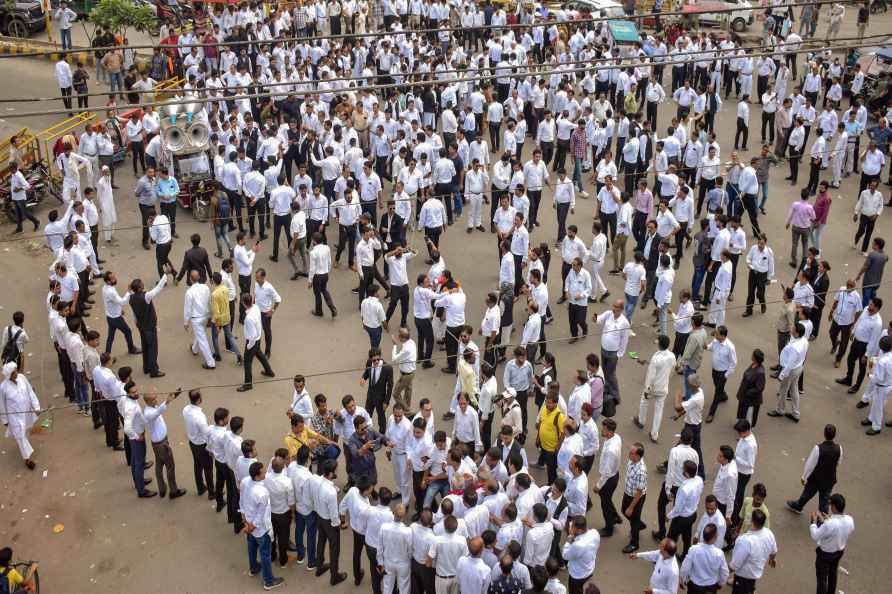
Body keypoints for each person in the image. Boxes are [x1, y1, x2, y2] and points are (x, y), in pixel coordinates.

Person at [241, 461, 286, 590]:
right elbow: (261, 515)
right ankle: (269, 581)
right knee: (265, 554)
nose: (266, 472)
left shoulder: (245, 482)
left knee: (251, 547)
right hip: (260, 529)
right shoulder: (262, 493)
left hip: (249, 523)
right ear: (257, 475)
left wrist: (245, 521)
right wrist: (251, 526)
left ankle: (254, 568)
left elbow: (242, 501)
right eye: (263, 472)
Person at [786, 424, 841, 514]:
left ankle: (799, 506)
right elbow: (838, 462)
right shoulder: (839, 449)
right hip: (829, 480)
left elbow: (810, 464)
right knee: (824, 501)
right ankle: (823, 519)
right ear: (834, 435)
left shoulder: (818, 449)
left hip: (816, 479)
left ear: (824, 434)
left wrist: (804, 477)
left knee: (807, 494)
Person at [143, 387, 185, 500]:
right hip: (161, 444)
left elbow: (160, 407)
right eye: (153, 399)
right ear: (147, 401)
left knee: (159, 464)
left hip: (158, 442)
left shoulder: (152, 407)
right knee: (170, 466)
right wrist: (167, 401)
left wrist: (173, 397)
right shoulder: (148, 413)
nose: (156, 401)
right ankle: (173, 490)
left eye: (155, 398)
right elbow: (158, 411)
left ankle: (162, 489)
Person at [809, 493, 855, 594]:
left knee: (822, 580)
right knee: (833, 574)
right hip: (839, 552)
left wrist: (813, 522)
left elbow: (815, 535)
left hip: (825, 555)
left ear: (833, 506)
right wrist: (828, 520)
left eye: (830, 505)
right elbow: (840, 529)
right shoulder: (849, 520)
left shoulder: (830, 524)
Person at [634, 334, 675, 443]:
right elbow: (671, 367)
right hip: (663, 388)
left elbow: (650, 376)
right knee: (659, 411)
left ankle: (641, 421)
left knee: (644, 402)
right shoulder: (672, 356)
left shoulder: (656, 358)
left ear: (660, 344)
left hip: (653, 388)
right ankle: (654, 434)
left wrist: (647, 389)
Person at [0, 362, 40, 470]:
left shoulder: (22, 378)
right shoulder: (3, 388)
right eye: (13, 373)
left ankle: (25, 449)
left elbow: (30, 392)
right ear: (8, 376)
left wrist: (36, 407)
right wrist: (5, 420)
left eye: (16, 371)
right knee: (20, 436)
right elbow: (1, 405)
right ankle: (27, 459)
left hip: (26, 412)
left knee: (25, 432)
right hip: (14, 417)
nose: (16, 373)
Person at [128, 274, 169, 378]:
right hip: (149, 327)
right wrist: (165, 275)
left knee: (145, 347)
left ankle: (146, 367)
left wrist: (136, 322)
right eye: (142, 284)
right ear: (139, 288)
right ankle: (154, 371)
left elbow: (133, 313)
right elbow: (158, 288)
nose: (143, 285)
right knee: (153, 349)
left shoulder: (131, 298)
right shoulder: (146, 296)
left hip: (141, 326)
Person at [728, 509, 777, 594]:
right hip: (754, 573)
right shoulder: (769, 534)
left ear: (752, 521)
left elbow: (734, 565)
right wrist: (772, 559)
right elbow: (774, 551)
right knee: (750, 587)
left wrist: (722, 573)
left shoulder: (745, 541)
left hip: (744, 577)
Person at [237, 293, 275, 392]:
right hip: (258, 338)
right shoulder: (256, 307)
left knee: (247, 362)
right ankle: (269, 371)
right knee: (260, 355)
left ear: (244, 303)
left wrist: (249, 346)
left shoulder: (248, 318)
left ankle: (248, 384)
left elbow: (252, 336)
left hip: (252, 341)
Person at [182, 389, 214, 499]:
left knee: (197, 465)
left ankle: (200, 487)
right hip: (202, 445)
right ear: (199, 399)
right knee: (208, 469)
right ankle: (211, 492)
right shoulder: (199, 417)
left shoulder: (186, 409)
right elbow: (206, 433)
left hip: (192, 442)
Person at [680, 523, 730, 593]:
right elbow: (725, 572)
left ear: (703, 535)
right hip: (711, 587)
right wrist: (720, 584)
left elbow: (685, 568)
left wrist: (683, 579)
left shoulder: (693, 549)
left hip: (694, 587)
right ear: (715, 537)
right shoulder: (719, 554)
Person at [594, 418, 622, 537]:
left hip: (609, 479)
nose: (602, 430)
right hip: (614, 475)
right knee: (608, 500)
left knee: (605, 504)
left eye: (604, 429)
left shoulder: (611, 450)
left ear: (609, 431)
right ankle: (615, 516)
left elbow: (606, 472)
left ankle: (608, 528)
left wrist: (598, 485)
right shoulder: (616, 437)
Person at [183, 270, 215, 370]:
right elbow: (210, 301)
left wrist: (185, 321)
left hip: (196, 318)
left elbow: (187, 308)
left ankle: (210, 362)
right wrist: (211, 315)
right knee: (200, 334)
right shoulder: (206, 287)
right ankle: (194, 349)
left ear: (190, 279)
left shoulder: (189, 292)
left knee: (203, 340)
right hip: (205, 315)